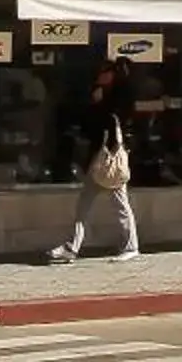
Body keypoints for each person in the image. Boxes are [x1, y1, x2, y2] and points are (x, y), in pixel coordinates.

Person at [52, 106, 139, 263]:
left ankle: (131, 248)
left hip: (105, 169)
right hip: (104, 170)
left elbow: (109, 142)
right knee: (98, 208)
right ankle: (72, 248)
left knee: (113, 209)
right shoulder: (104, 115)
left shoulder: (107, 117)